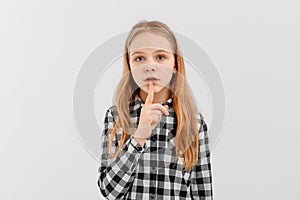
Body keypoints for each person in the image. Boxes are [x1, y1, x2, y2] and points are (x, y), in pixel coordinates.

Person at [97, 20, 213, 199]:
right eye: (139, 58)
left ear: (175, 65)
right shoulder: (116, 117)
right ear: (129, 67)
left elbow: (202, 192)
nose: (149, 66)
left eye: (160, 57)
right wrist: (139, 136)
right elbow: (110, 192)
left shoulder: (195, 123)